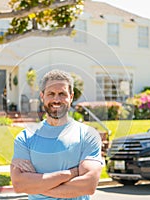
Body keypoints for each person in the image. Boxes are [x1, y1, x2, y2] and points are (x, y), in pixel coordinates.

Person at [10, 69, 102, 200]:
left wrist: (37, 187)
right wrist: (71, 173)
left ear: (71, 96)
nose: (56, 99)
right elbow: (20, 185)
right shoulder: (25, 138)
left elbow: (88, 186)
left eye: (62, 94)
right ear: (42, 97)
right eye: (51, 94)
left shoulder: (88, 135)